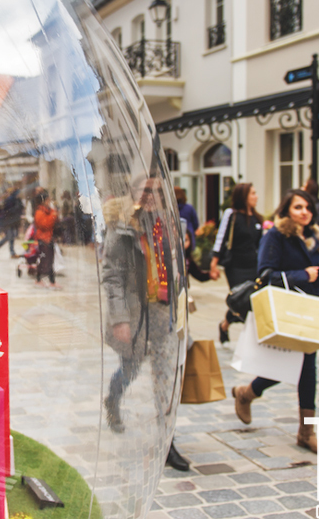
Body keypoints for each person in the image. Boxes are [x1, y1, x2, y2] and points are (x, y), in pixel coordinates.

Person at [101, 177, 188, 470]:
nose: (152, 196)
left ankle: (168, 443)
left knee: (166, 379)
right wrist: (120, 319)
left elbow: (183, 271)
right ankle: (113, 400)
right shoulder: (123, 229)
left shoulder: (174, 227)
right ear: (133, 194)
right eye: (146, 190)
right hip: (135, 314)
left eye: (159, 191)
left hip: (165, 314)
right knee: (131, 368)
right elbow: (111, 277)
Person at [231, 189, 319, 452]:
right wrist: (301, 275)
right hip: (286, 309)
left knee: (306, 367)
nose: (304, 211)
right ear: (286, 211)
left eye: (307, 207)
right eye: (298, 207)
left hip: (309, 310)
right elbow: (265, 274)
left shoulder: (314, 237)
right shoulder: (276, 235)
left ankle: (305, 432)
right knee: (290, 365)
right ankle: (247, 394)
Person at [209, 183, 264, 343]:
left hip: (254, 266)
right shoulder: (231, 215)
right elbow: (221, 238)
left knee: (252, 301)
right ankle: (237, 331)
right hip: (236, 266)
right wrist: (214, 263)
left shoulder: (257, 218)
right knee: (241, 299)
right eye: (253, 193)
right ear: (243, 196)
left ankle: (226, 325)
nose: (256, 196)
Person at [33, 190, 59, 288]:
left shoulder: (48, 211)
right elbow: (45, 225)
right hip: (43, 239)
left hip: (49, 238)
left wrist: (53, 214)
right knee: (45, 260)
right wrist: (53, 216)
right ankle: (41, 280)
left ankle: (50, 281)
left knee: (49, 260)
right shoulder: (39, 212)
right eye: (48, 200)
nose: (49, 201)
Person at [0, 187, 22, 259]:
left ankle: (11, 252)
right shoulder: (10, 200)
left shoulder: (14, 200)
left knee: (11, 237)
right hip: (9, 222)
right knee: (9, 237)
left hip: (12, 221)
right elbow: (8, 211)